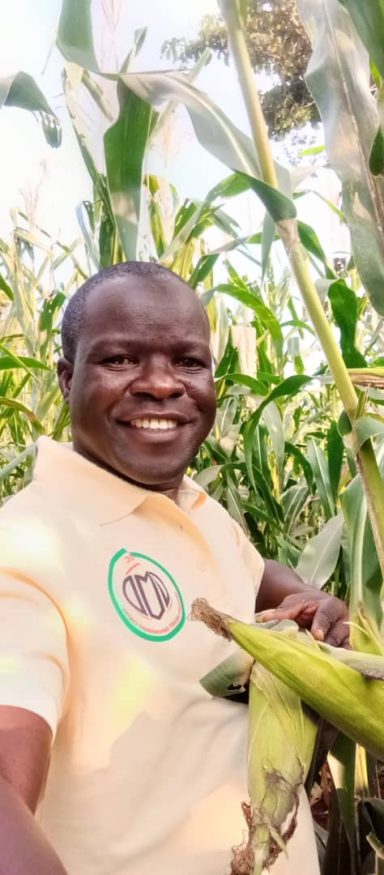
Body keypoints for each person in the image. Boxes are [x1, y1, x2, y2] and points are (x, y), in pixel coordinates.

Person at [0, 262, 348, 875]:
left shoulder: (195, 510)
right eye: (119, 360)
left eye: (189, 362)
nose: (162, 385)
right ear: (64, 378)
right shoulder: (28, 547)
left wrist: (305, 595)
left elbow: (249, 565)